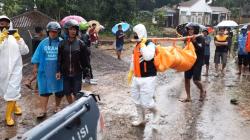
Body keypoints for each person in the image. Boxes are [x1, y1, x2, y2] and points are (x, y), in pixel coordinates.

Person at [0, 15, 29, 126]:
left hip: (16, 70)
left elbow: (25, 51)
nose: (3, 24)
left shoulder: (15, 37)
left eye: (6, 22)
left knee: (13, 90)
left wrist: (19, 39)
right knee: (5, 91)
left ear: (9, 24)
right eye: (1, 22)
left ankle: (8, 116)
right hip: (2, 70)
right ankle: (15, 106)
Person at [127, 24, 158, 126]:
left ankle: (156, 112)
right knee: (136, 100)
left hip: (148, 77)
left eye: (136, 33)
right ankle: (141, 118)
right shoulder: (136, 45)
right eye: (134, 33)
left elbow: (148, 57)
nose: (134, 35)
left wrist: (143, 45)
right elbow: (133, 59)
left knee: (146, 102)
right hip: (136, 77)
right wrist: (130, 73)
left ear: (141, 33)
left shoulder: (150, 44)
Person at [31, 21, 63, 119]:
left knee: (59, 90)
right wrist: (35, 67)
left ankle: (57, 107)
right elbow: (36, 56)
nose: (53, 33)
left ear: (58, 32)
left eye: (55, 32)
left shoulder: (62, 42)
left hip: (58, 71)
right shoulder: (43, 43)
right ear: (48, 32)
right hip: (44, 71)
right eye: (51, 31)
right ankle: (43, 110)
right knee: (44, 91)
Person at [57, 19, 90, 104]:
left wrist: (86, 71)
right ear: (67, 30)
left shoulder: (81, 44)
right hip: (66, 72)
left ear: (77, 31)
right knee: (67, 92)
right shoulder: (62, 44)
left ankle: (76, 108)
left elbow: (85, 59)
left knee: (77, 93)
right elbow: (59, 59)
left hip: (77, 72)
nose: (73, 31)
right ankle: (71, 106)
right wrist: (58, 71)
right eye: (71, 29)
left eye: (74, 29)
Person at [181, 23, 206, 102]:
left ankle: (202, 90)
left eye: (191, 29)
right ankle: (188, 97)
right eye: (189, 29)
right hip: (188, 60)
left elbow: (201, 49)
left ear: (195, 30)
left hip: (198, 61)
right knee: (186, 79)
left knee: (196, 80)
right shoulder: (187, 38)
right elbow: (184, 48)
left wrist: (194, 41)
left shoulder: (201, 38)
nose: (189, 31)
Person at [24, 26, 45, 90]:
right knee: (40, 73)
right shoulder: (39, 40)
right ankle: (29, 81)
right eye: (43, 31)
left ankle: (37, 88)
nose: (44, 32)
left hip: (35, 57)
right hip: (39, 58)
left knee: (39, 72)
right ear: (40, 31)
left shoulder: (34, 39)